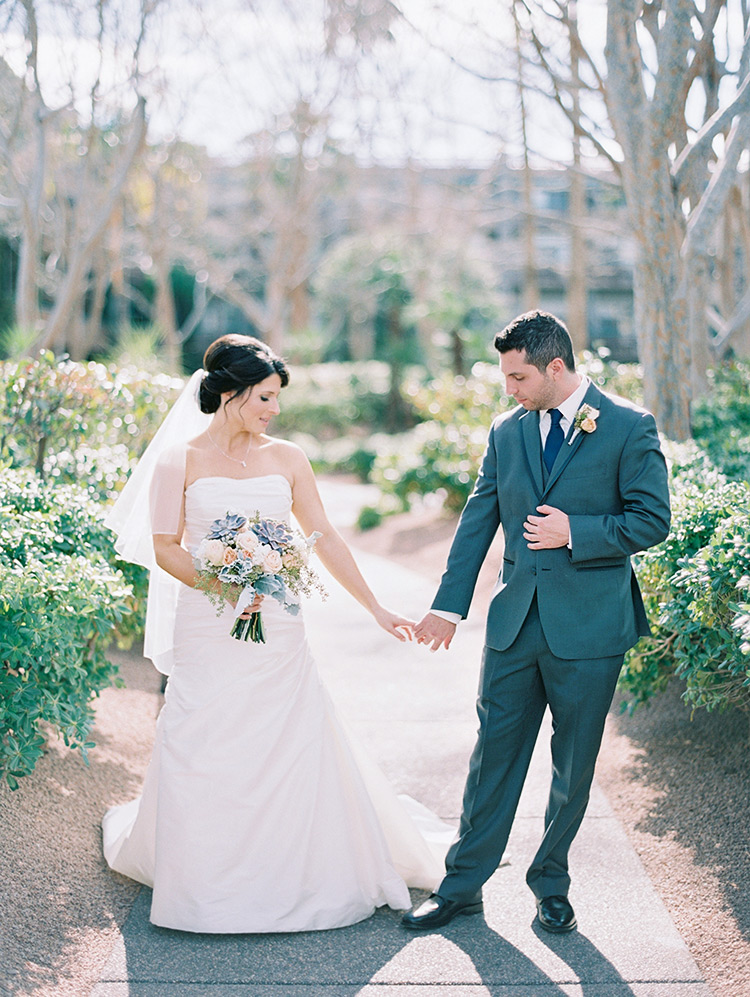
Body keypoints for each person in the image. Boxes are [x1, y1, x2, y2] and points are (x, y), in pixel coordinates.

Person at [102, 334, 450, 933]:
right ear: (230, 393)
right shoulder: (177, 459)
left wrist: (375, 608)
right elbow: (164, 548)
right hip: (208, 624)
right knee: (198, 734)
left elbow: (325, 537)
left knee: (285, 738)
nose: (274, 409)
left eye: (276, 398)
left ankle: (290, 871)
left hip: (279, 626)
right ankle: (205, 879)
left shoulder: (288, 457)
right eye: (264, 397)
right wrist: (226, 582)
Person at [401, 310, 671, 934]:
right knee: (492, 755)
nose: (510, 389)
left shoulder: (629, 426)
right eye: (506, 378)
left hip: (591, 630)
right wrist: (448, 606)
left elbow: (652, 520)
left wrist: (574, 531)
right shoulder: (507, 429)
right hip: (514, 625)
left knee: (573, 766)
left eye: (519, 376)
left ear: (556, 367)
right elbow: (478, 518)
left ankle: (551, 883)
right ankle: (462, 886)